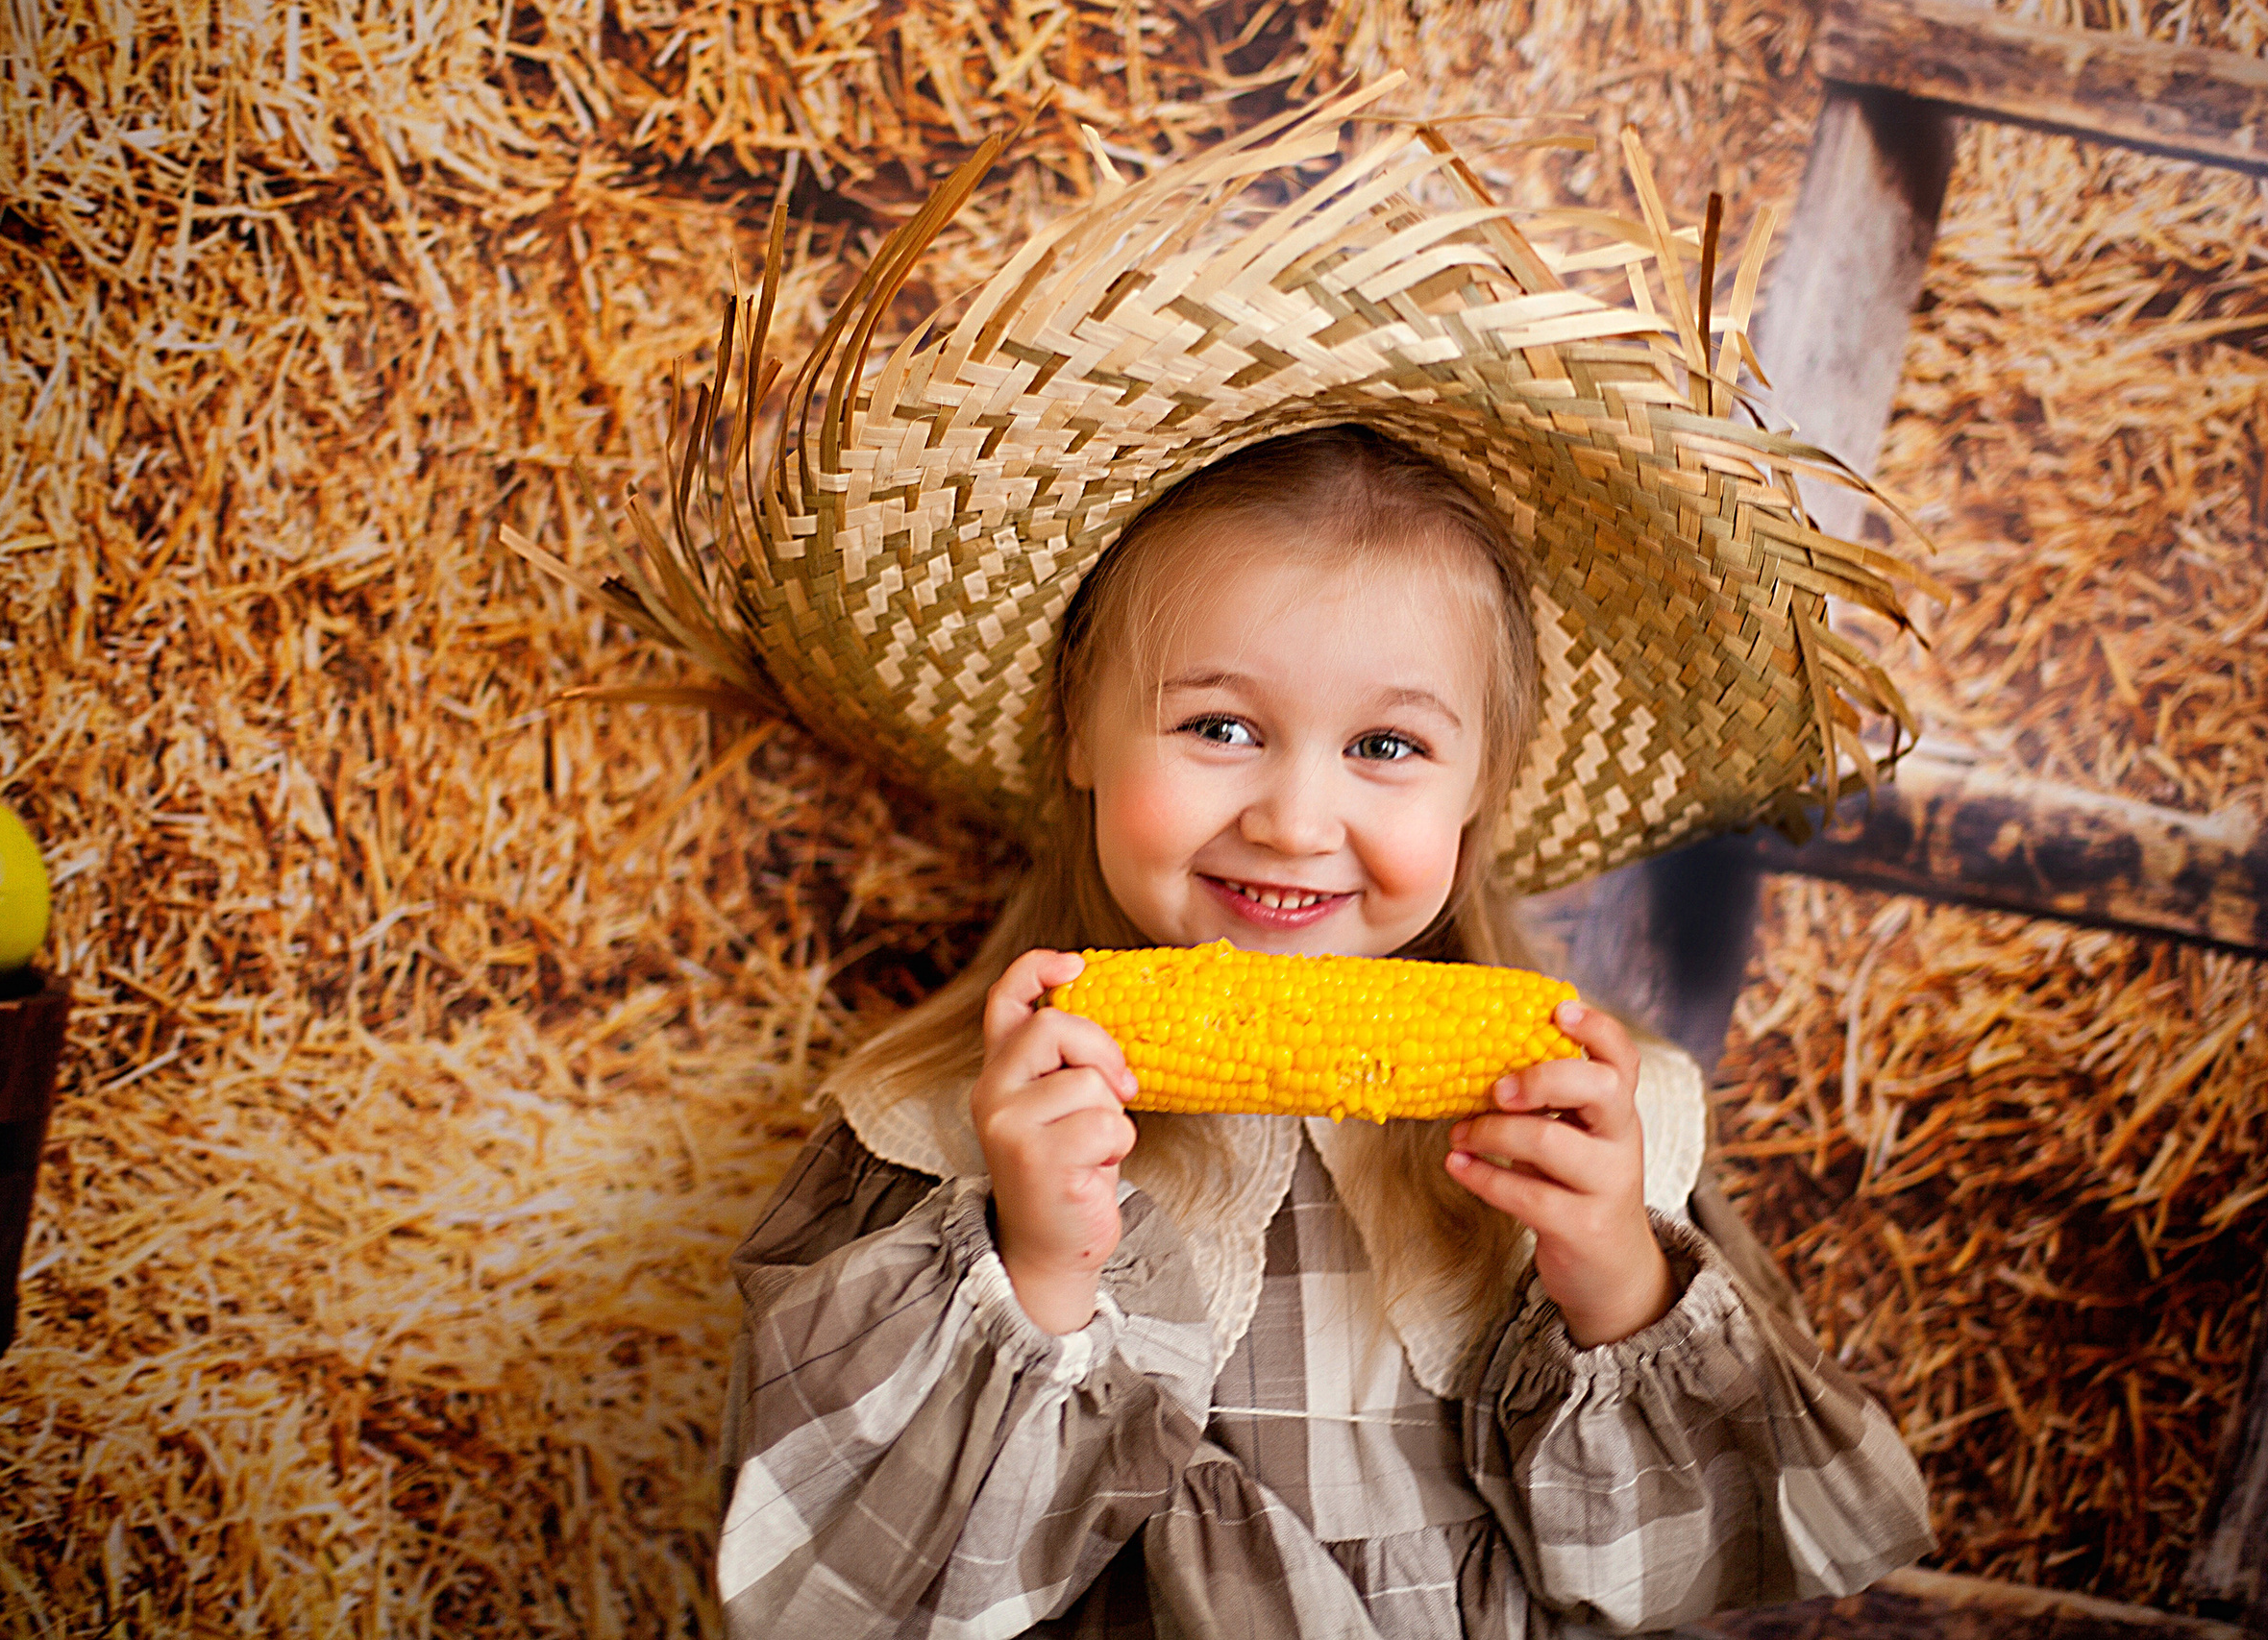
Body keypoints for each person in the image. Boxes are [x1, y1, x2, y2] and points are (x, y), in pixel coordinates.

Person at [525, 86, 1936, 1639]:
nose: (1291, 817)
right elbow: (828, 1594)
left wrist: (1614, 1277)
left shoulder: (1594, 1139)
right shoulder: (935, 1126)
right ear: (1081, 731)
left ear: (1479, 797)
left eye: (1387, 749)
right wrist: (1031, 1270)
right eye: (1218, 726)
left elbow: (1732, 1558)